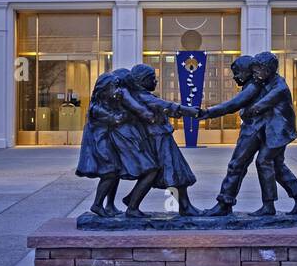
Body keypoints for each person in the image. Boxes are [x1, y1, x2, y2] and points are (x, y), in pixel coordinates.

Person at [196, 53, 297, 217]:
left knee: (255, 163)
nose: (235, 77)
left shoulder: (268, 86)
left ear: (267, 70)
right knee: (275, 166)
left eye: (238, 72)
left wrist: (208, 113)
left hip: (274, 132)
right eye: (254, 70)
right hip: (265, 130)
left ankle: (263, 206)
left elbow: (237, 105)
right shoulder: (261, 81)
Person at [125, 63, 202, 216]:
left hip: (160, 139)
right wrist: (192, 112)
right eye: (152, 78)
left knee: (173, 171)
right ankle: (133, 205)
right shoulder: (142, 97)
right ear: (141, 81)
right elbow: (167, 106)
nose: (156, 81)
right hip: (157, 141)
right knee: (173, 171)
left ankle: (184, 206)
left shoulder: (142, 96)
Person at [238, 52, 297, 216]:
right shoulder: (267, 82)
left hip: (280, 132)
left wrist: (243, 111)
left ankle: (268, 206)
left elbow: (259, 106)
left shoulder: (279, 87)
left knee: (263, 161)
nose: (254, 75)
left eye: (257, 71)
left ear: (267, 70)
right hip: (272, 131)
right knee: (278, 165)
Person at [107, 68, 162, 217]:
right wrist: (151, 114)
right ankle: (132, 207)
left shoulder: (117, 95)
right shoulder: (124, 94)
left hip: (123, 135)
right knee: (151, 170)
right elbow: (144, 113)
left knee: (114, 171)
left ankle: (109, 205)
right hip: (125, 136)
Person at [74, 72, 125, 217]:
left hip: (109, 142)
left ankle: (109, 205)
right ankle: (97, 205)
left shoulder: (108, 104)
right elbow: (117, 119)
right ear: (103, 90)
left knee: (115, 174)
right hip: (100, 145)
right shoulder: (96, 108)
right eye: (114, 88)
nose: (117, 91)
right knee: (109, 173)